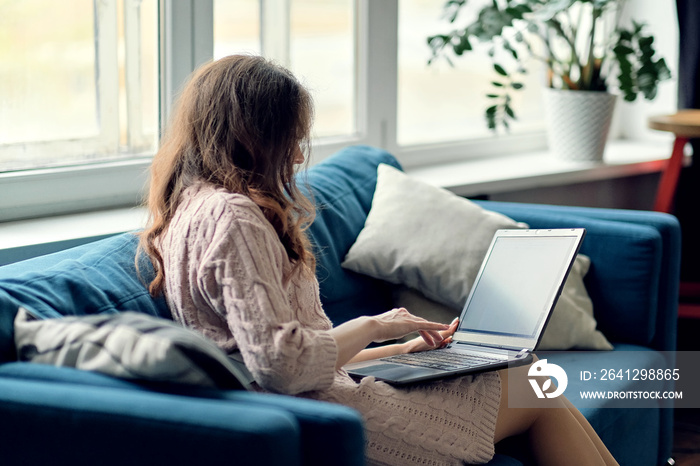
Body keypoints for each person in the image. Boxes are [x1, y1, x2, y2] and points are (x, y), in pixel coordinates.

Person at [139, 54, 618, 466]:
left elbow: (289, 355)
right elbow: (282, 369)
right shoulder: (235, 217)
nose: (298, 154)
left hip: (317, 400)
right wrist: (375, 325)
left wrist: (399, 352)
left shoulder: (191, 207)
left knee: (526, 373)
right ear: (254, 135)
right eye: (293, 140)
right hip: (323, 416)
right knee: (534, 388)